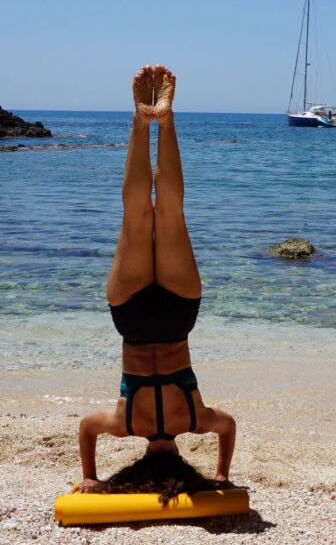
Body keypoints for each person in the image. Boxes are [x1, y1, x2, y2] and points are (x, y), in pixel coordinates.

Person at [74, 65, 236, 498]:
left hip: (177, 317)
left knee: (170, 213)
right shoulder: (125, 424)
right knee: (135, 215)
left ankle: (164, 120)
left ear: (182, 461)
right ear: (142, 461)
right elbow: (86, 428)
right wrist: (90, 475)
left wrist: (222, 474)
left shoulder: (194, 420)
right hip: (132, 321)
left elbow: (228, 427)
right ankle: (140, 119)